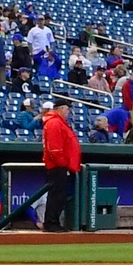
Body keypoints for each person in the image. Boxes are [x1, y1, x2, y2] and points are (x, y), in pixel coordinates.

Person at [40, 98, 81, 230]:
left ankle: (53, 222)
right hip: (57, 167)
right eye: (67, 109)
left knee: (60, 195)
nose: (68, 112)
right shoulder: (54, 123)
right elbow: (55, 149)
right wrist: (63, 165)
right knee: (57, 195)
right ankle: (51, 223)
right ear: (61, 109)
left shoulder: (59, 122)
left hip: (62, 166)